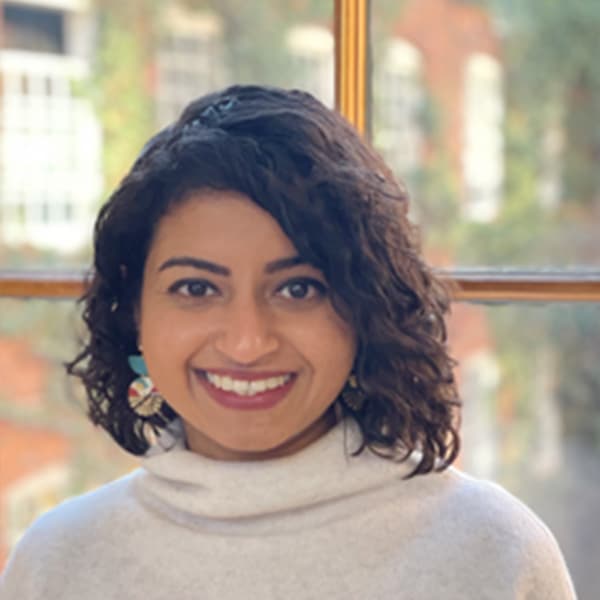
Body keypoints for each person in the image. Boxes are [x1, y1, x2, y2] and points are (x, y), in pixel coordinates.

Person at [0, 84, 576, 599]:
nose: (248, 343)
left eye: (299, 288)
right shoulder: (58, 562)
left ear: (363, 307)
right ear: (134, 313)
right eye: (197, 287)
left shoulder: (493, 554)